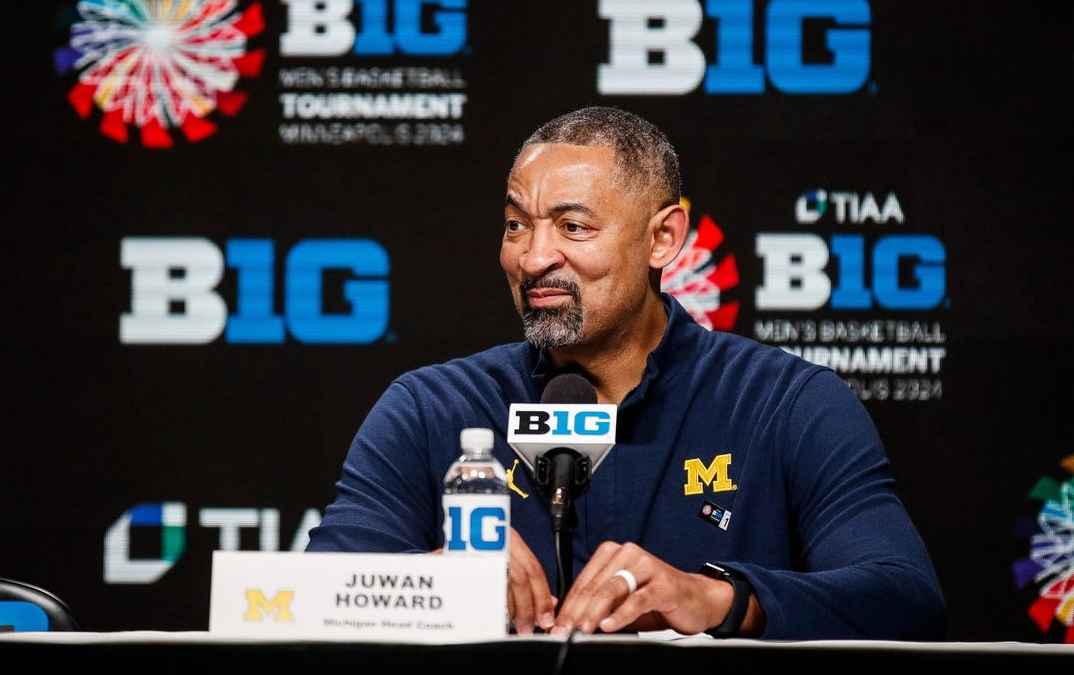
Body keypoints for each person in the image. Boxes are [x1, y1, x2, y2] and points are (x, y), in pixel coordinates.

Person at [305, 105, 947, 641]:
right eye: (515, 225)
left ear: (663, 239)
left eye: (573, 226)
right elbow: (309, 601)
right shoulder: (432, 408)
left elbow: (905, 597)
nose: (532, 258)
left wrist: (717, 599)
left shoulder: (785, 402)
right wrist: (437, 581)